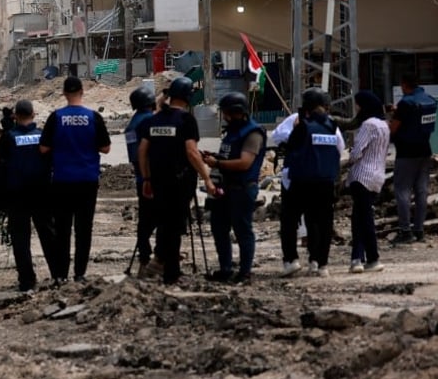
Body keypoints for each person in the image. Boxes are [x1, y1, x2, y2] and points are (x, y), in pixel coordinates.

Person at [137, 77, 214, 284]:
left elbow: (142, 151)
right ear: (189, 97)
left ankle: (160, 262)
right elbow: (191, 152)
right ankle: (170, 271)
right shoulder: (186, 120)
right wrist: (206, 177)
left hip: (157, 181)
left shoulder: (153, 119)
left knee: (164, 223)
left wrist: (146, 177)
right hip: (180, 181)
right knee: (175, 226)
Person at [39, 75, 111, 284]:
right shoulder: (93, 117)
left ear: (64, 93)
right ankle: (80, 273)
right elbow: (106, 148)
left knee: (62, 229)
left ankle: (61, 274)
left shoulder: (56, 117)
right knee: (84, 228)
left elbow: (43, 148)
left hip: (62, 180)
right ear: (82, 92)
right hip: (88, 180)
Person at [270, 98, 345, 276]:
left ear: (307, 110)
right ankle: (320, 263)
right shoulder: (332, 126)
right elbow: (340, 149)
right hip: (325, 181)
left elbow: (290, 146)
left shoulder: (302, 126)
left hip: (300, 181)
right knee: (322, 223)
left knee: (289, 220)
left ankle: (291, 260)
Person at [201, 92, 266, 284]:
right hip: (225, 188)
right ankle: (226, 268)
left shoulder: (252, 133)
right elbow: (230, 156)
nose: (226, 117)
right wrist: (215, 157)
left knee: (242, 230)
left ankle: (245, 272)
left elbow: (245, 163)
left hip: (242, 188)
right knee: (219, 228)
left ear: (237, 112)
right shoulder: (232, 132)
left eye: (228, 113)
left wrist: (217, 164)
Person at [0, 99, 52, 292]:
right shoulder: (42, 135)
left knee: (20, 238)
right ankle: (58, 273)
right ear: (33, 115)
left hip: (16, 195)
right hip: (42, 193)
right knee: (48, 235)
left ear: (15, 116)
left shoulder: (8, 137)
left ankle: (27, 280)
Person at [388, 73, 436, 245]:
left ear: (404, 85)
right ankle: (419, 230)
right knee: (422, 191)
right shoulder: (429, 100)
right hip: (425, 150)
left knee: (402, 191)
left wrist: (390, 119)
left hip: (406, 153)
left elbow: (393, 129)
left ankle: (405, 231)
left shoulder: (406, 103)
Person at [346, 91, 390, 273]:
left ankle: (371, 257)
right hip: (377, 177)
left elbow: (357, 153)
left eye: (357, 104)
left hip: (362, 176)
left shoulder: (368, 125)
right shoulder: (384, 125)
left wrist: (349, 159)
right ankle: (358, 257)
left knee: (363, 220)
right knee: (360, 218)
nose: (356, 108)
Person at [125, 85, 159, 276]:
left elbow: (134, 156)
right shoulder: (150, 122)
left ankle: (144, 258)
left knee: (145, 221)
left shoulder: (132, 124)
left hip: (141, 178)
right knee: (162, 219)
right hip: (154, 177)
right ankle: (160, 258)